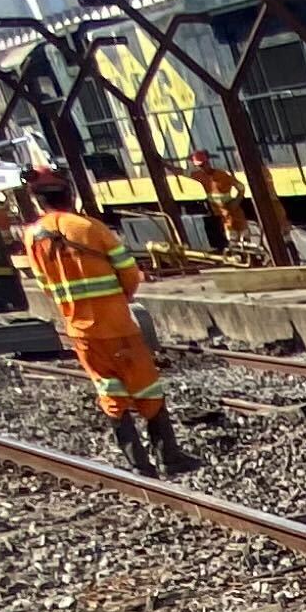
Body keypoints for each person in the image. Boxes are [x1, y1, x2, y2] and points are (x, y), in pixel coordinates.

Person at [16, 167, 191, 476]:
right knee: (147, 387)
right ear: (69, 194)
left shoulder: (32, 237)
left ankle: (138, 464)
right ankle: (170, 457)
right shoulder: (89, 227)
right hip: (117, 325)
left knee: (109, 390)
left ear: (38, 200)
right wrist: (119, 299)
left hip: (80, 329)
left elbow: (44, 283)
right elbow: (128, 271)